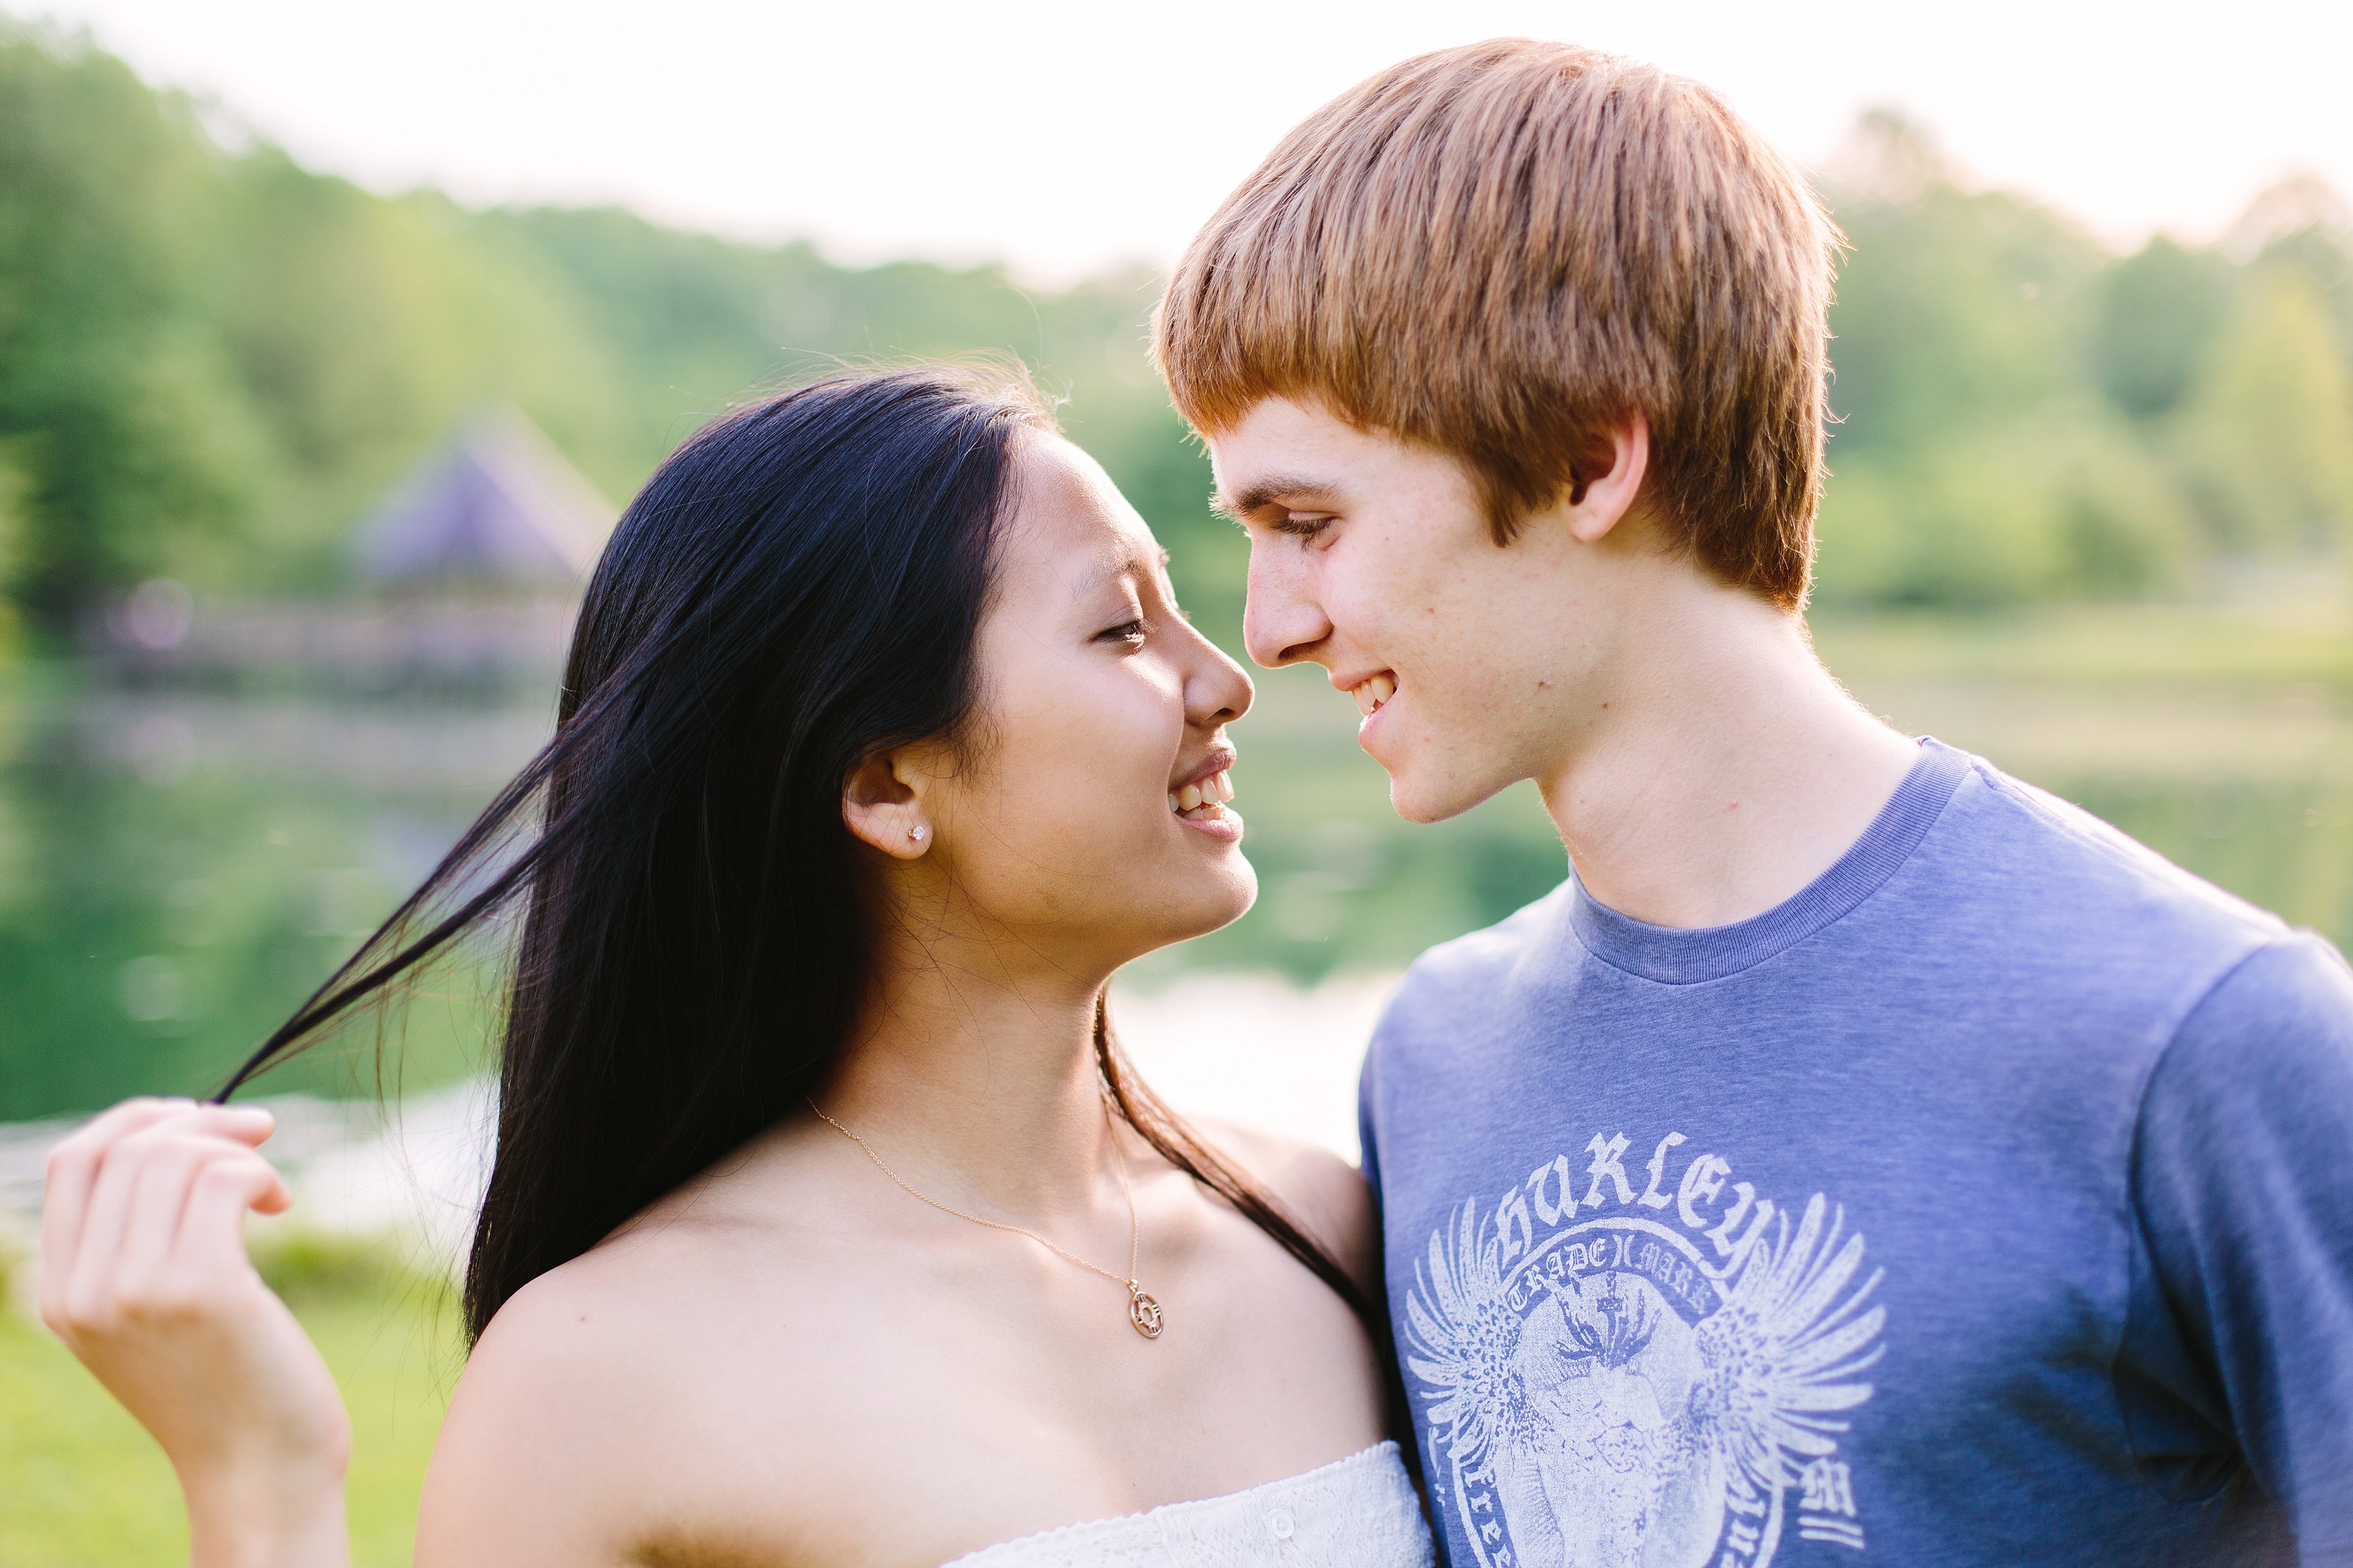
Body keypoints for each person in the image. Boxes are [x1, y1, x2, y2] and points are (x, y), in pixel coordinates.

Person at [1153, 38, 2353, 1568]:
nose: (1267, 628)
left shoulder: (2198, 1037)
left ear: (1590, 458)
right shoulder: (1432, 1051)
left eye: (1308, 521)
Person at [39, 367, 1435, 1567]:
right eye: (1122, 627)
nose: (1228, 676)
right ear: (891, 782)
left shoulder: (1328, 1229)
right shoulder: (604, 1367)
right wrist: (263, 1487)